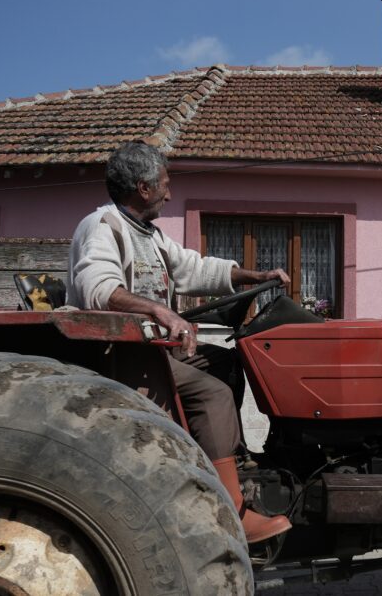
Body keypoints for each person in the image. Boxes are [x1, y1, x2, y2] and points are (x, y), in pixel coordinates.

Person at [67, 140, 291, 544]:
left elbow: (192, 268)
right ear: (143, 188)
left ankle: (225, 462)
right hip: (125, 354)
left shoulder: (149, 235)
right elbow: (98, 289)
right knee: (214, 394)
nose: (170, 194)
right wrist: (160, 311)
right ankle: (230, 513)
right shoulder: (102, 227)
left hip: (156, 350)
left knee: (227, 360)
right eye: (165, 185)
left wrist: (253, 277)